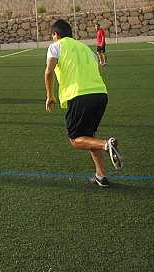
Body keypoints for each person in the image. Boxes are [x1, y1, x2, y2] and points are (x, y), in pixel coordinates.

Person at [44, 19, 123, 188]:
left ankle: (106, 144)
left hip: (79, 95)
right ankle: (101, 176)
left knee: (76, 140)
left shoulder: (56, 46)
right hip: (101, 94)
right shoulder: (86, 48)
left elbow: (49, 71)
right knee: (88, 137)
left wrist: (50, 95)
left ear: (56, 34)